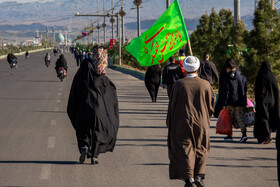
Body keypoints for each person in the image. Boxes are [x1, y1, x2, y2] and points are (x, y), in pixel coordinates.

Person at [167, 56, 215, 187]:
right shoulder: (205, 85)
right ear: (198, 68)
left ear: (185, 69)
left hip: (182, 121)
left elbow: (172, 106)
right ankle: (199, 175)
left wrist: (170, 122)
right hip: (201, 121)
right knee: (201, 147)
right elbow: (211, 106)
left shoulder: (178, 85)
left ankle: (189, 178)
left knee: (185, 148)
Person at [67, 46, 119, 164]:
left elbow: (74, 94)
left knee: (83, 129)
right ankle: (94, 155)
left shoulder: (82, 73)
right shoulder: (104, 81)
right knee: (98, 131)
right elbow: (111, 101)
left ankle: (84, 147)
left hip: (82, 110)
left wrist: (74, 110)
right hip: (99, 112)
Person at [221, 60, 247, 143]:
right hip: (239, 101)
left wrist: (224, 103)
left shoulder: (227, 77)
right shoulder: (240, 76)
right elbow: (243, 90)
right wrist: (244, 101)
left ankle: (229, 135)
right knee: (240, 118)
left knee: (229, 119)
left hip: (230, 101)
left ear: (228, 68)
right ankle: (244, 134)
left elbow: (226, 91)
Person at [254, 61, 280, 144]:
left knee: (263, 118)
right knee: (269, 118)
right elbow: (276, 89)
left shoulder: (261, 76)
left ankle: (265, 136)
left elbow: (258, 90)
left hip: (262, 101)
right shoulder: (272, 76)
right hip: (272, 101)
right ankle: (268, 134)